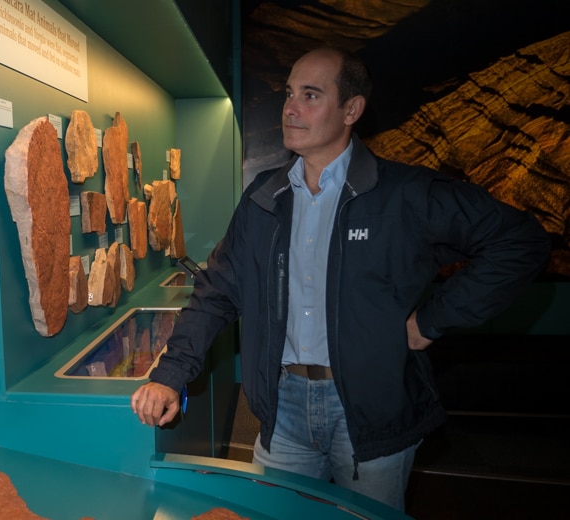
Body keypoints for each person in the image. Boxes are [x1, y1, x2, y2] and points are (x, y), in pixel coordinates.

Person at [131, 46, 550, 511]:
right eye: (289, 93)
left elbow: (521, 241)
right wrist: (171, 375)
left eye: (310, 95)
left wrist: (430, 321)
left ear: (351, 109)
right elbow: (218, 291)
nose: (290, 107)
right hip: (283, 409)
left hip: (372, 410)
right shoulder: (264, 198)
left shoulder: (405, 194)